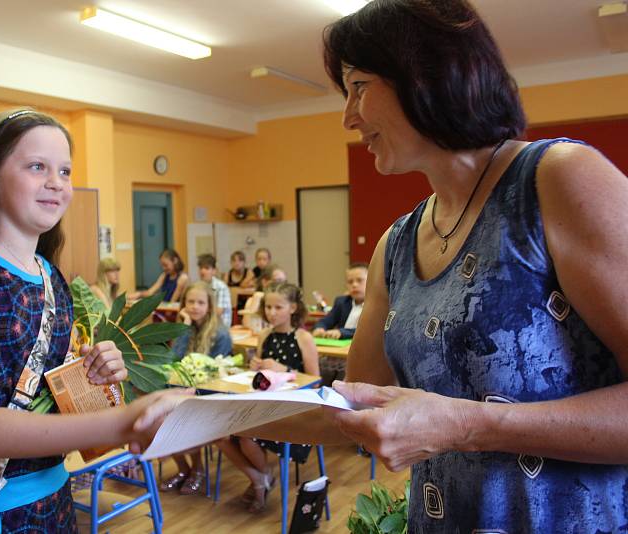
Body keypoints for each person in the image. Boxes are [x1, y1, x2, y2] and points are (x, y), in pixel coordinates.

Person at [247, 1, 628, 531]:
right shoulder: (396, 245)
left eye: (358, 86)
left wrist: (467, 426)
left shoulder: (559, 180)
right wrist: (204, 412)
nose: (348, 117)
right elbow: (352, 409)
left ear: (426, 74)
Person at [0, 109, 190, 533]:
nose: (57, 182)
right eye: (37, 166)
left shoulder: (50, 277)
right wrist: (124, 421)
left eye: (65, 171)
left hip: (52, 499)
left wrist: (93, 375)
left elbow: (36, 387)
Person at [217, 282, 318, 513]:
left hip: (294, 410)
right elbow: (261, 377)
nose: (271, 313)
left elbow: (315, 380)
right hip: (263, 404)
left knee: (245, 436)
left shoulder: (303, 338)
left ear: (292, 308)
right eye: (268, 307)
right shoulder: (265, 335)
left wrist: (285, 369)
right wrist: (256, 366)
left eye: (278, 307)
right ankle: (261, 477)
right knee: (221, 435)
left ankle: (261, 481)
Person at [163, 282, 233, 495]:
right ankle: (185, 468)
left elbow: (213, 372)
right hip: (187, 391)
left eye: (200, 302)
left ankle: (197, 470)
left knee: (181, 418)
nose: (194, 307)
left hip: (212, 395)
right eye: (190, 302)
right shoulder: (188, 327)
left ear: (210, 306)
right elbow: (174, 360)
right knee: (163, 417)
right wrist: (183, 326)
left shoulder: (220, 334)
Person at [312, 262, 368, 339]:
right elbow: (325, 321)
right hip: (342, 348)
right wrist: (319, 328)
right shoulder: (342, 302)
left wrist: (342, 332)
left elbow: (369, 330)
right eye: (350, 282)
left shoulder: (377, 305)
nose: (354, 285)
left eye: (359, 280)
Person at [197, 253, 232, 326]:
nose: (202, 271)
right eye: (201, 268)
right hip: (205, 323)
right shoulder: (199, 286)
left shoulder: (221, 287)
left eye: (206, 268)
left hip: (220, 326)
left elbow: (219, 312)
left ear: (214, 271)